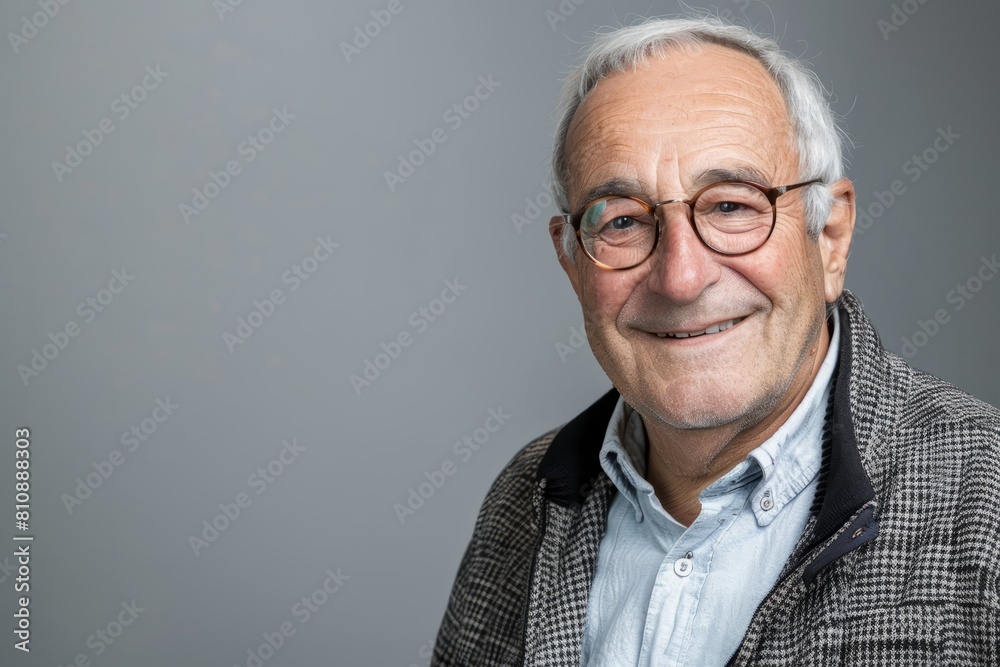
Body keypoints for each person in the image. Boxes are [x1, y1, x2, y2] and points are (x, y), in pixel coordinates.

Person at [432, 15, 1000, 666]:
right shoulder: (523, 502)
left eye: (732, 206)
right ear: (572, 262)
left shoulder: (986, 504)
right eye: (623, 221)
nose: (681, 278)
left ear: (830, 238)